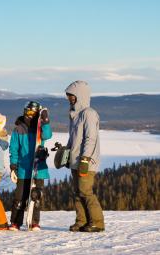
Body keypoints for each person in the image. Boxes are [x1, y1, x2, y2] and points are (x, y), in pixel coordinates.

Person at [65, 80, 105, 232]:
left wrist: (85, 158)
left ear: (80, 95)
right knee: (77, 192)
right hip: (76, 160)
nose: (70, 99)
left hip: (86, 161)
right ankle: (82, 221)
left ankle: (97, 222)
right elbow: (73, 139)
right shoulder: (75, 115)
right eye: (69, 96)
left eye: (72, 96)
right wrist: (67, 153)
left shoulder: (89, 113)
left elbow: (91, 138)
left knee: (86, 191)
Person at [9, 101, 52, 231]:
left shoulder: (40, 129)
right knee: (20, 197)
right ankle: (15, 222)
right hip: (23, 168)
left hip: (38, 168)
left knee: (36, 196)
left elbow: (47, 135)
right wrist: (13, 167)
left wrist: (45, 121)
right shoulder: (18, 129)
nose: (30, 116)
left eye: (33, 113)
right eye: (28, 112)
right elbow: (14, 149)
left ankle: (34, 222)